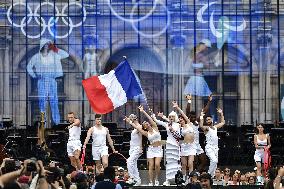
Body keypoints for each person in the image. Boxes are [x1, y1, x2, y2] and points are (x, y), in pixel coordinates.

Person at [27, 38, 69, 125]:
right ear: (42, 45)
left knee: (54, 101)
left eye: (48, 44)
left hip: (51, 79)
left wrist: (54, 48)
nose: (46, 46)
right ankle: (44, 124)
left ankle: (57, 124)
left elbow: (66, 54)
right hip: (42, 80)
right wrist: (34, 75)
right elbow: (29, 67)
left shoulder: (53, 55)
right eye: (45, 44)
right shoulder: (37, 57)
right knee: (42, 101)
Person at [125, 105, 163, 186]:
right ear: (144, 127)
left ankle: (156, 179)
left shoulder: (155, 127)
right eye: (144, 124)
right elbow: (138, 128)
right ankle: (150, 181)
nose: (146, 123)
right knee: (150, 165)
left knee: (157, 164)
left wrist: (143, 111)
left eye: (146, 123)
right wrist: (130, 122)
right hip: (151, 149)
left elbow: (150, 118)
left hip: (159, 149)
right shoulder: (146, 133)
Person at [152, 109, 181, 186]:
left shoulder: (178, 125)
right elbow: (158, 121)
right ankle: (167, 180)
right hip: (169, 145)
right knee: (168, 163)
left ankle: (177, 179)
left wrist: (173, 130)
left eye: (172, 116)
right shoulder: (167, 124)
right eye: (170, 116)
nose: (171, 118)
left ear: (175, 117)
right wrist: (154, 116)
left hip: (175, 146)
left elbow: (179, 136)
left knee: (176, 163)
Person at [185, 94, 212, 173]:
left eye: (194, 116)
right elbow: (187, 110)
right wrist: (189, 100)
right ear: (189, 117)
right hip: (191, 145)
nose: (193, 118)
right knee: (194, 162)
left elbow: (204, 111)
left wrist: (209, 101)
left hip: (197, 144)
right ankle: (192, 175)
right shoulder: (188, 122)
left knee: (204, 161)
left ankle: (196, 173)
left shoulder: (197, 121)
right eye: (191, 116)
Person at [172, 101, 196, 182]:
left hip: (191, 147)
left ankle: (191, 180)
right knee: (184, 165)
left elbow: (183, 113)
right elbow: (177, 136)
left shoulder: (189, 124)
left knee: (190, 164)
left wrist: (177, 107)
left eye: (181, 119)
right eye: (179, 120)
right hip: (184, 147)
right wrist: (172, 130)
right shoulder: (180, 128)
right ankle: (184, 180)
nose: (180, 120)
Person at [199, 108, 225, 177]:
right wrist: (201, 116)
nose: (208, 121)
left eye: (209, 119)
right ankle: (209, 175)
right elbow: (201, 126)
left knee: (215, 164)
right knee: (214, 160)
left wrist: (221, 113)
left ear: (212, 120)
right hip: (209, 147)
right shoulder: (207, 128)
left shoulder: (215, 127)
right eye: (207, 120)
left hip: (216, 148)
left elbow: (222, 123)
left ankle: (213, 178)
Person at [124, 114, 142, 186]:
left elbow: (141, 136)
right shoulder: (134, 128)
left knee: (129, 161)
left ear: (135, 118)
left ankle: (132, 178)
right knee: (133, 164)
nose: (130, 119)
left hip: (137, 148)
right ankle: (138, 180)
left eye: (131, 118)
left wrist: (140, 147)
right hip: (132, 149)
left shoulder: (139, 126)